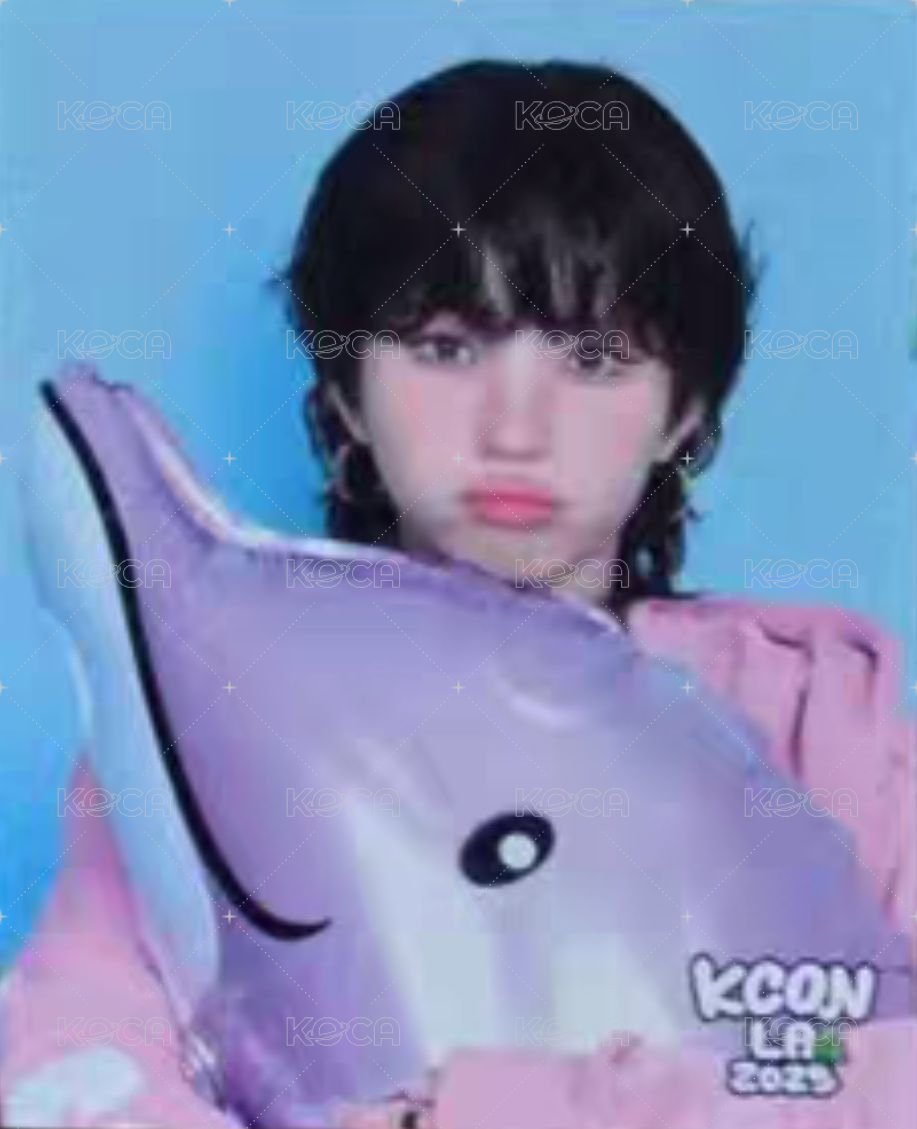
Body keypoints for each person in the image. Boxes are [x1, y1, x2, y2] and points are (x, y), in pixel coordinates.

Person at [2, 59, 914, 1128]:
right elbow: (67, 1068)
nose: (514, 428)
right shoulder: (214, 720)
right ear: (346, 392)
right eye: (444, 347)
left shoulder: (813, 718)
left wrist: (481, 1110)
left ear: (683, 413)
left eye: (593, 358)